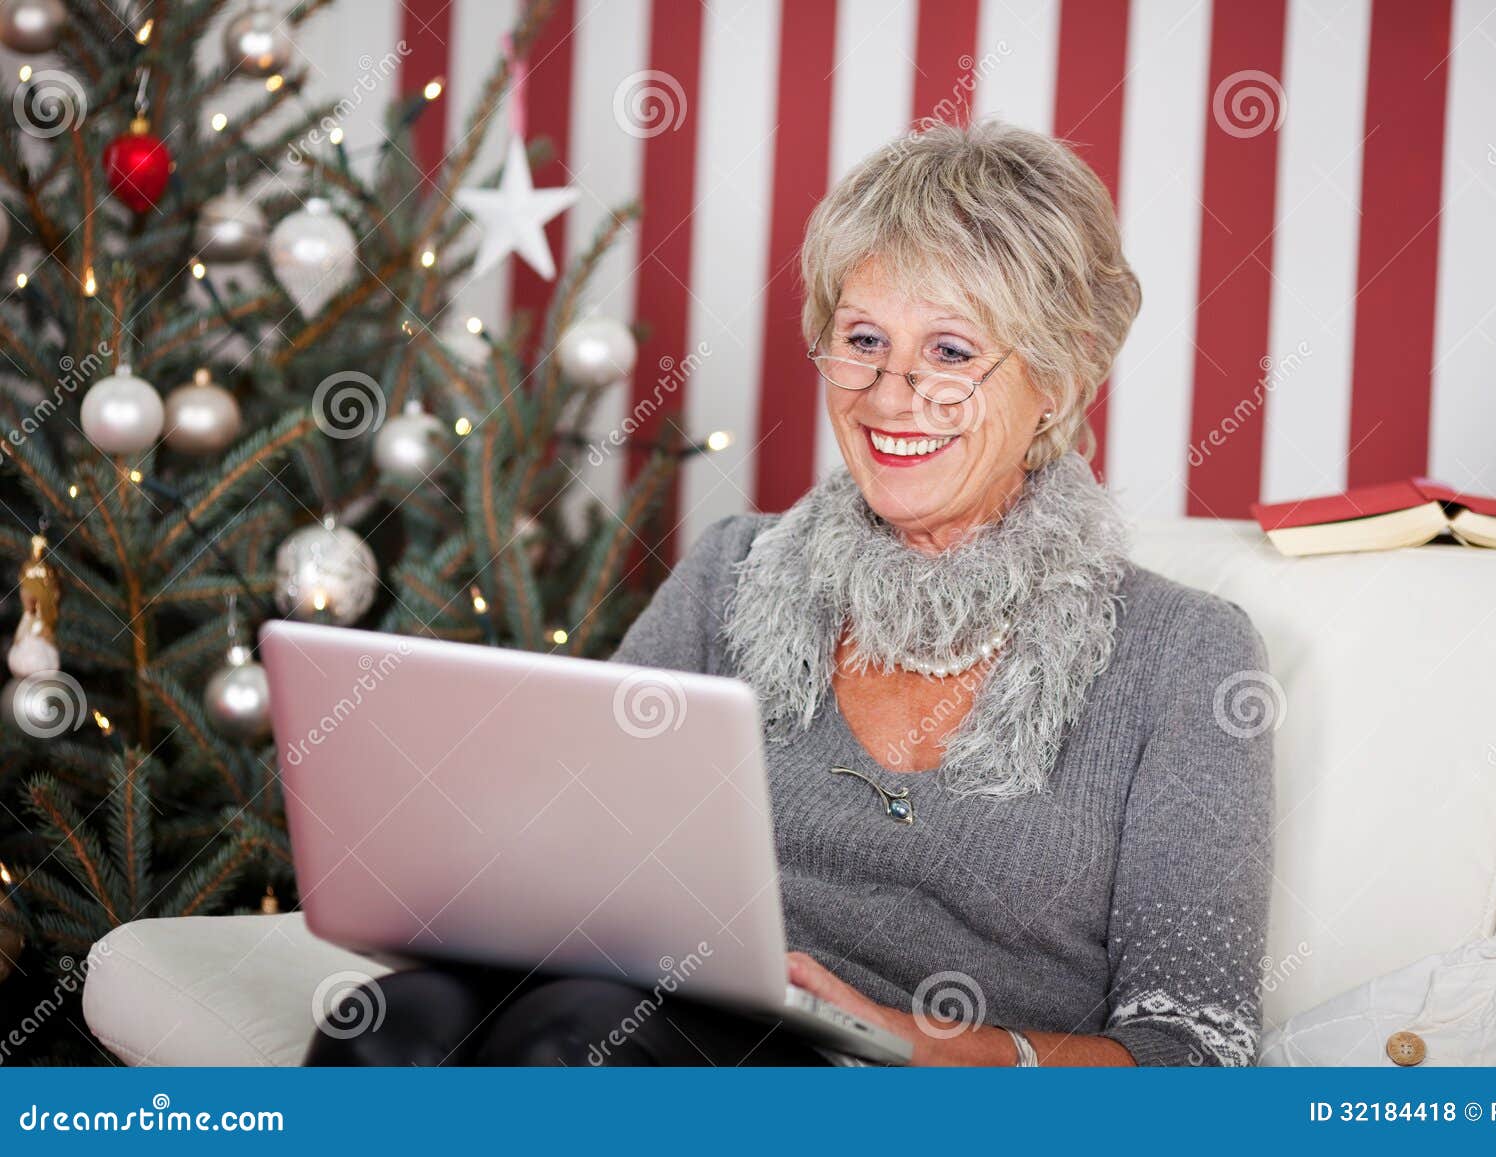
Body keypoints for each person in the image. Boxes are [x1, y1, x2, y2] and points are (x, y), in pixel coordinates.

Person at [308, 120, 1274, 1068]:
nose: (892, 396)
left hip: (876, 1081)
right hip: (657, 1005)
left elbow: (1197, 1055)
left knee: (570, 1048)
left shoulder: (1186, 654)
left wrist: (922, 1042)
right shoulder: (733, 569)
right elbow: (579, 855)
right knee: (394, 1021)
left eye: (949, 351)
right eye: (862, 339)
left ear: (1057, 381)